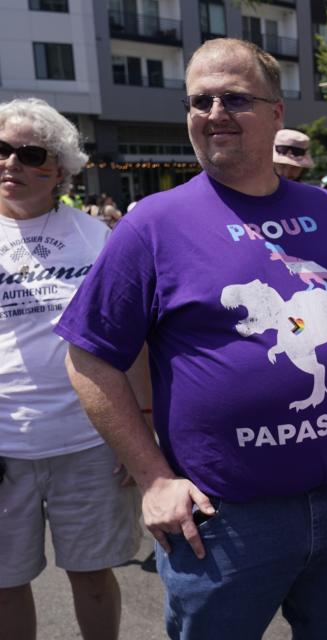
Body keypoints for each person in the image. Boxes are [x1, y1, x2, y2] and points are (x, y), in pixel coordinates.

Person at [56, 38, 327, 639]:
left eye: (234, 98)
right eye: (199, 101)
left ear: (277, 113)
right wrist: (152, 476)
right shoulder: (153, 224)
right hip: (224, 523)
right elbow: (88, 357)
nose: (214, 113)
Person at [0, 97, 143, 640]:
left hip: (89, 441)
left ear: (59, 167)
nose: (11, 163)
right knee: (5, 581)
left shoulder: (97, 237)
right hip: (5, 445)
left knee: (92, 573)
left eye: (29, 153)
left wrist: (138, 433)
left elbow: (128, 341)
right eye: (2, 150)